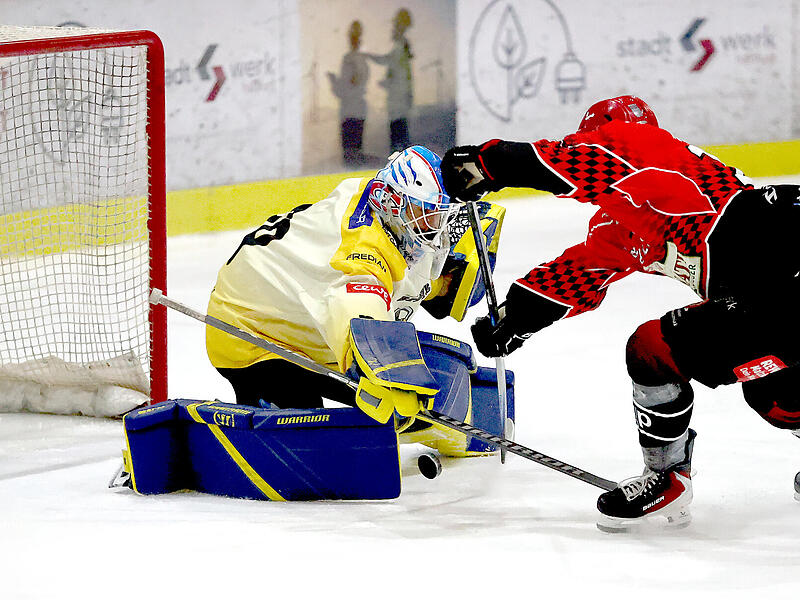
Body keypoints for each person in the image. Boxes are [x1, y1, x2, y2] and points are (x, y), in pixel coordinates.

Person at [440, 95, 800, 531]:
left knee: (653, 349)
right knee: (774, 395)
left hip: (786, 270)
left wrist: (490, 163)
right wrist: (514, 321)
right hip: (778, 295)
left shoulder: (644, 145)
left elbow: (587, 163)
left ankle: (665, 478)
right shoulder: (632, 215)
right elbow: (579, 272)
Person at [205, 145, 506, 444]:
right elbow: (356, 311)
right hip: (249, 331)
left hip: (298, 312)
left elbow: (404, 275)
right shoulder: (360, 254)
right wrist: (383, 374)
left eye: (441, 214)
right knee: (309, 439)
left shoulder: (385, 210)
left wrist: (445, 286)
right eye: (426, 212)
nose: (437, 226)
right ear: (392, 201)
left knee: (428, 385)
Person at [367, 8, 413, 153]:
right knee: (400, 129)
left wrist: (368, 55)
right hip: (399, 98)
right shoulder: (401, 48)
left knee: (398, 131)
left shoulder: (399, 48)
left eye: (395, 26)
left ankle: (400, 159)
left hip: (398, 99)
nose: (392, 30)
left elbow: (388, 63)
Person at [327, 21, 369, 167]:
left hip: (350, 112)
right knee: (356, 152)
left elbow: (344, 90)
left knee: (350, 155)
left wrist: (333, 81)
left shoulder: (350, 60)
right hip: (358, 111)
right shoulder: (362, 60)